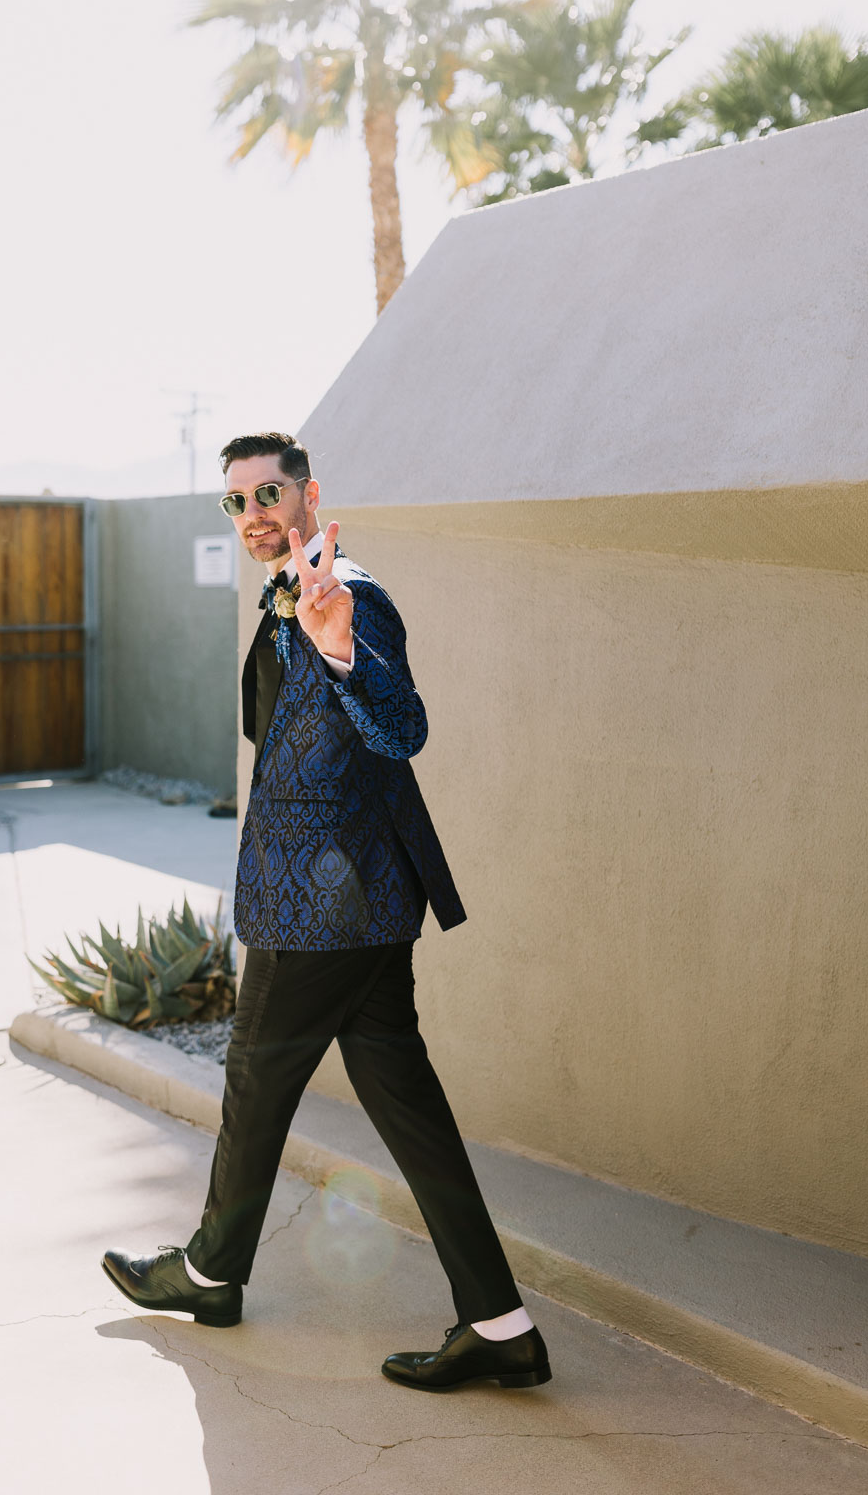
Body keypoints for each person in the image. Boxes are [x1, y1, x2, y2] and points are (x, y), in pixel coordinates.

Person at [103, 433, 551, 1392]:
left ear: (309, 494)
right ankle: (500, 1324)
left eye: (268, 493)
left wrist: (342, 646)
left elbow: (402, 727)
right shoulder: (286, 595)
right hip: (358, 905)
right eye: (235, 501)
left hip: (323, 910)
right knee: (408, 1108)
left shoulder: (347, 593)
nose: (253, 513)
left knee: (255, 1083)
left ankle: (207, 1274)